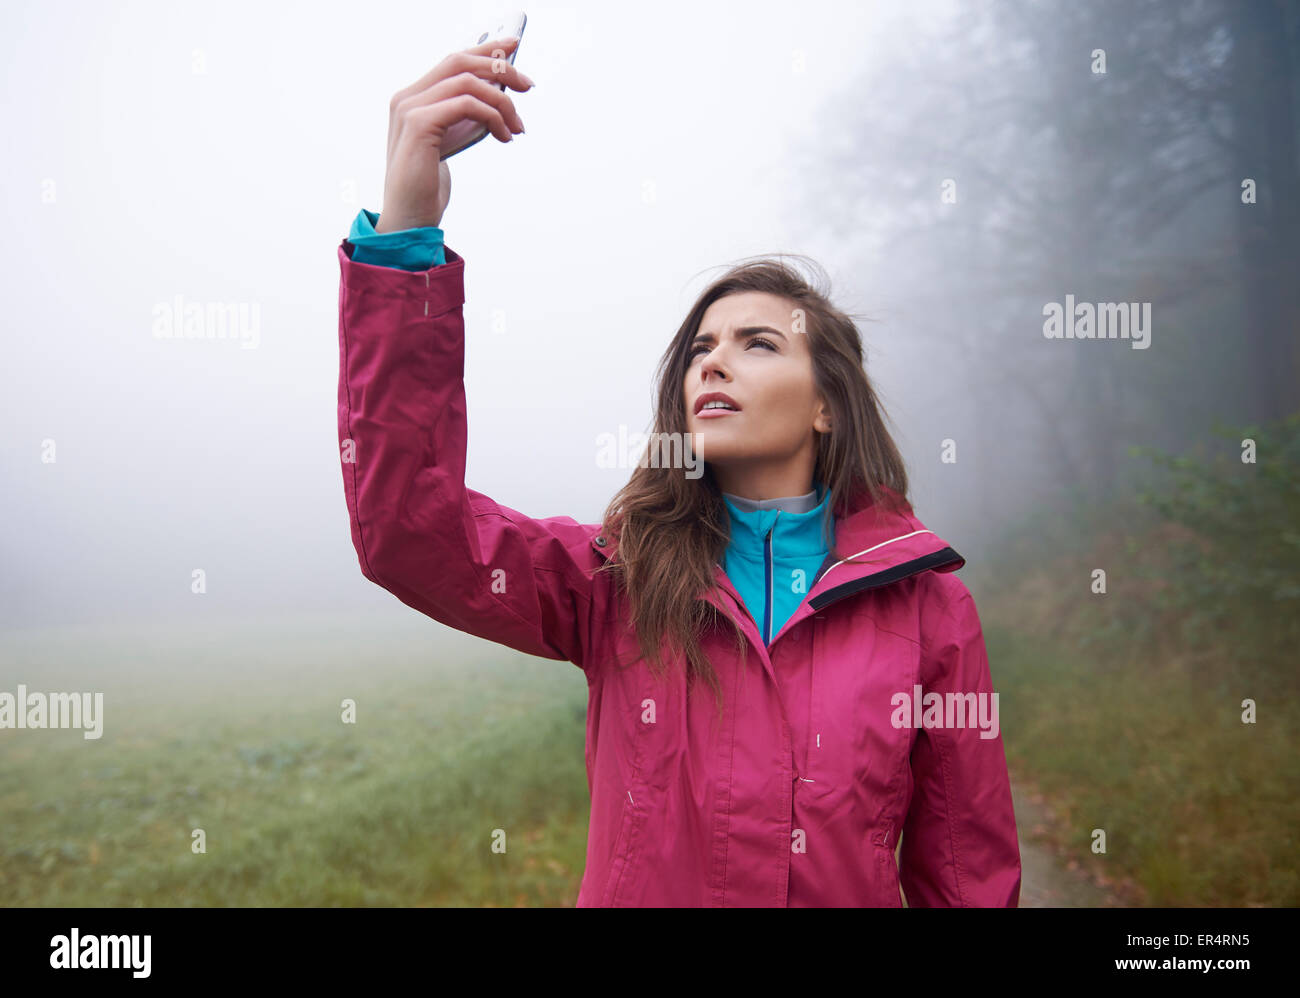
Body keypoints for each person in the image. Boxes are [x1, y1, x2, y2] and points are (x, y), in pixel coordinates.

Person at [336, 34, 1021, 907]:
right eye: (700, 347)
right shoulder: (616, 580)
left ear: (827, 406)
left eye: (758, 343)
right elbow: (409, 531)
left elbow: (966, 871)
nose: (714, 363)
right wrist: (406, 235)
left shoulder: (929, 611)